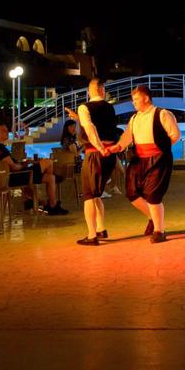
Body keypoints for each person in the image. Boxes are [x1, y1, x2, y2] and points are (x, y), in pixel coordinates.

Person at [102, 85, 180, 243]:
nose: (133, 103)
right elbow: (127, 136)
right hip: (139, 159)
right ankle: (153, 217)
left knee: (153, 195)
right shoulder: (134, 118)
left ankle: (159, 230)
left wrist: (160, 150)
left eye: (136, 99)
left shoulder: (162, 114)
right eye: (133, 100)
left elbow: (175, 135)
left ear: (146, 98)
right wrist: (117, 147)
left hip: (158, 159)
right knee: (132, 193)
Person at [65, 78, 120, 246]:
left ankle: (91, 235)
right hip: (109, 155)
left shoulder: (84, 107)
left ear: (89, 92)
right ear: (103, 91)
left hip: (95, 154)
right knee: (96, 195)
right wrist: (78, 117)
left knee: (89, 195)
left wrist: (99, 146)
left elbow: (91, 128)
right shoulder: (110, 108)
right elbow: (100, 124)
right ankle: (101, 229)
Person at [0, 125, 65, 215]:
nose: (7, 133)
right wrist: (23, 166)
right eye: (4, 131)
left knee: (50, 178)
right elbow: (13, 167)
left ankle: (52, 204)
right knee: (48, 162)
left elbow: (12, 165)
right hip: (17, 176)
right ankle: (49, 200)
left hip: (18, 174)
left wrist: (24, 164)